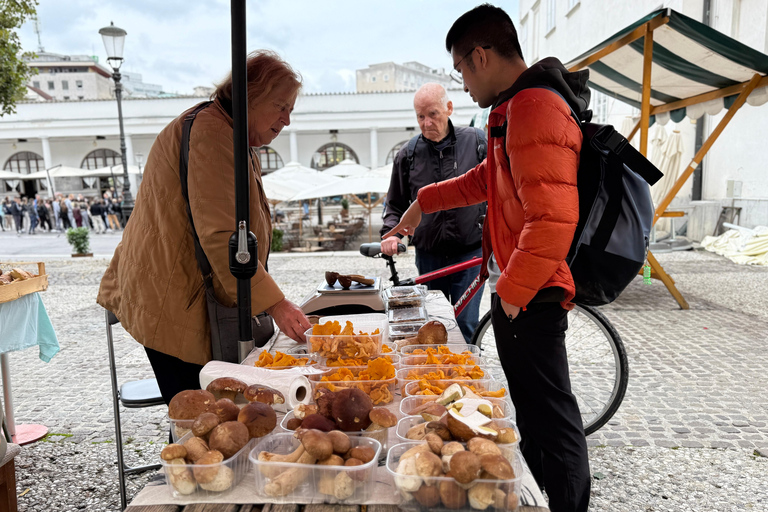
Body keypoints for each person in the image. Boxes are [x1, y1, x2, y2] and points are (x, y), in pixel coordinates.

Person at [384, 5, 591, 511]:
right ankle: (542, 498)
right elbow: (482, 183)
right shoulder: (514, 107)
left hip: (534, 292)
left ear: (480, 56)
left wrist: (513, 294)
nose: (464, 85)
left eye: (460, 70)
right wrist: (417, 208)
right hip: (524, 290)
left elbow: (553, 219)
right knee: (532, 414)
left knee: (552, 418)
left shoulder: (535, 107)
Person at [97, 50, 311, 406]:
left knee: (204, 414)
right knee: (199, 418)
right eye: (280, 106)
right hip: (173, 301)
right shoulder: (213, 133)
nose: (286, 119)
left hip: (180, 295)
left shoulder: (228, 132)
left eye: (290, 109)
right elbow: (222, 234)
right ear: (250, 97)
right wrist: (275, 304)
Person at [380, 83, 487, 343]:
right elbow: (394, 203)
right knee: (433, 326)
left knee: (465, 323)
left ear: (449, 108)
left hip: (470, 253)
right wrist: (391, 235)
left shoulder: (476, 141)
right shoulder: (408, 154)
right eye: (420, 116)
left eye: (433, 114)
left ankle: (465, 379)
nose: (427, 123)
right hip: (429, 256)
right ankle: (435, 375)